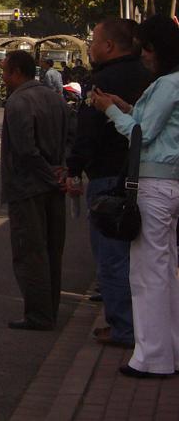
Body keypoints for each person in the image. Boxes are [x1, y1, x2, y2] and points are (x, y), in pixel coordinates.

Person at [90, 15, 179, 379]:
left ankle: (152, 357)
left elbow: (142, 133)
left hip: (155, 184)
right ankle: (168, 350)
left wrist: (110, 110)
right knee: (166, 272)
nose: (142, 54)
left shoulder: (168, 85)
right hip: (171, 183)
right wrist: (124, 107)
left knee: (149, 275)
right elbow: (149, 122)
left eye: (145, 46)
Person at [66, 18, 153, 350]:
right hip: (147, 175)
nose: (90, 47)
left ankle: (124, 328)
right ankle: (142, 324)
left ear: (109, 46)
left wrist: (74, 167)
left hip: (108, 179)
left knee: (112, 257)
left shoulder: (100, 83)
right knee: (143, 259)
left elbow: (87, 133)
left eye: (94, 41)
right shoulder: (151, 79)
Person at [0, 49, 71, 331]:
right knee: (53, 248)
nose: (3, 76)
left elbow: (26, 150)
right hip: (52, 183)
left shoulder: (18, 101)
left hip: (29, 186)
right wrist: (61, 171)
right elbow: (70, 138)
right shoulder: (54, 98)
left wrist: (49, 175)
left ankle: (39, 315)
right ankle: (48, 309)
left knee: (31, 251)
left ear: (17, 72)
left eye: (5, 70)